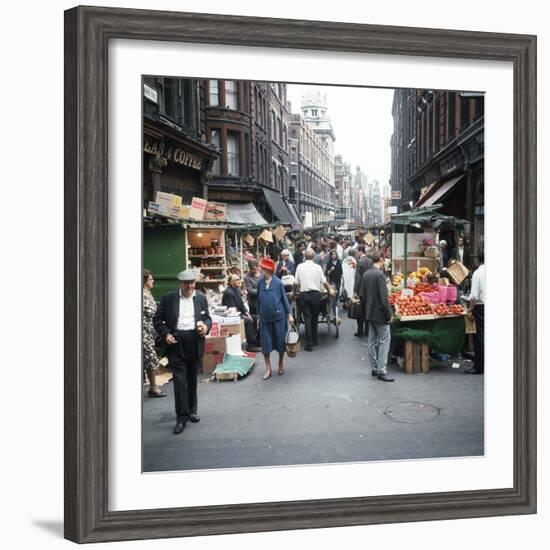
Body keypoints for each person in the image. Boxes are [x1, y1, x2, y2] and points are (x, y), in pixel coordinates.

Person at [154, 270, 212, 434]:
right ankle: (181, 416)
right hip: (177, 341)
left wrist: (206, 326)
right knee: (180, 381)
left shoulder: (200, 298)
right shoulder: (169, 299)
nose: (190, 286)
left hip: (194, 340)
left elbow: (207, 318)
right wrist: (166, 334)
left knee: (192, 378)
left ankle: (192, 410)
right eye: (187, 283)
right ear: (180, 283)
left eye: (192, 283)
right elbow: (157, 320)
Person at [257, 257, 294, 380]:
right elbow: (258, 300)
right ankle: (268, 368)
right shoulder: (260, 283)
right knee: (266, 345)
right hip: (265, 318)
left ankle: (280, 362)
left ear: (267, 270)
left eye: (262, 269)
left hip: (279, 317)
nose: (260, 270)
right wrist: (258, 316)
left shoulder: (278, 283)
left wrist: (289, 314)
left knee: (280, 343)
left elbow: (284, 299)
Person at [361, 252, 394, 382]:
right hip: (379, 313)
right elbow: (384, 298)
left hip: (369, 312)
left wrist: (366, 311)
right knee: (384, 341)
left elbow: (362, 295)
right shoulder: (379, 275)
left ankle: (374, 367)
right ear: (380, 260)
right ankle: (381, 370)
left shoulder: (366, 274)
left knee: (372, 341)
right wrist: (388, 314)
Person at [294, 248, 334, 352]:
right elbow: (324, 282)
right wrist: (329, 290)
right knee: (314, 318)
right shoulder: (318, 267)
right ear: (313, 257)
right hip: (316, 296)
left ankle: (309, 343)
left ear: (304, 257)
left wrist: (294, 293)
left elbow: (295, 283)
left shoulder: (300, 267)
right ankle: (315, 340)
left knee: (307, 318)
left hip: (304, 295)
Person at [143, 270, 167, 398]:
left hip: (149, 330)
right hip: (143, 330)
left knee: (149, 357)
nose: (153, 281)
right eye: (151, 279)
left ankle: (152, 386)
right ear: (144, 281)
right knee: (151, 357)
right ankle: (154, 387)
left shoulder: (148, 293)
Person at [222, 274, 261, 352]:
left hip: (238, 313)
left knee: (257, 318)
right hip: (232, 316)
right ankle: (250, 345)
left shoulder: (236, 289)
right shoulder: (229, 292)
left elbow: (241, 304)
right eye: (236, 280)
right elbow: (232, 309)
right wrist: (244, 316)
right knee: (248, 321)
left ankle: (256, 339)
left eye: (239, 279)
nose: (239, 280)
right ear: (231, 282)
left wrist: (247, 313)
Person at [465, 250, 485, 374]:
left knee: (480, 337)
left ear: (478, 260)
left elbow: (474, 296)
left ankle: (479, 366)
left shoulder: (478, 273)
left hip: (481, 308)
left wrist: (470, 309)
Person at [353, 245, 373, 337]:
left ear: (361, 251)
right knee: (368, 310)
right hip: (370, 289)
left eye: (357, 251)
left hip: (361, 289)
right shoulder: (370, 261)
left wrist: (355, 290)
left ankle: (360, 331)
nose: (357, 253)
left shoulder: (359, 262)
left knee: (360, 312)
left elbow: (357, 277)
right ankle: (367, 331)